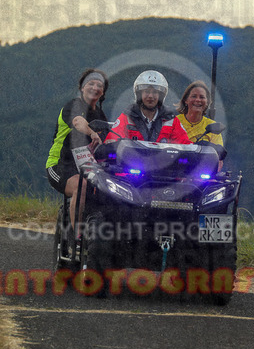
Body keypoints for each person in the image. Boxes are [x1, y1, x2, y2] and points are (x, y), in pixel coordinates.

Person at [46, 68, 108, 230]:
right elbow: (78, 122)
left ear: (103, 92)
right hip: (60, 165)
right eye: (91, 83)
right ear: (82, 87)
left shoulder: (100, 115)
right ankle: (78, 237)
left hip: (88, 166)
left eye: (99, 85)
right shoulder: (73, 105)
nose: (95, 88)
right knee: (81, 186)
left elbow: (110, 138)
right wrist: (92, 133)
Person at [105, 70, 192, 144]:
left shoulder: (171, 119)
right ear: (139, 94)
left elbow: (186, 144)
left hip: (162, 159)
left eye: (155, 92)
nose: (150, 96)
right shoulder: (128, 116)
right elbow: (111, 141)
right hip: (132, 158)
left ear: (160, 96)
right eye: (146, 92)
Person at [176, 80, 225, 170]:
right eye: (194, 96)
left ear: (207, 102)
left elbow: (218, 160)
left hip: (200, 173)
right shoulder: (174, 122)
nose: (198, 100)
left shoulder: (212, 126)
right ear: (186, 100)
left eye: (202, 97)